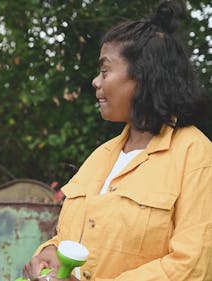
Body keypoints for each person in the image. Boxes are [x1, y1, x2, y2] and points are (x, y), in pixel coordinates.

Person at [22, 1, 211, 280]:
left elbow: (192, 265)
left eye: (105, 70)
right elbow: (72, 239)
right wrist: (49, 252)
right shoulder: (100, 156)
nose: (96, 82)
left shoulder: (196, 156)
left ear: (143, 77)